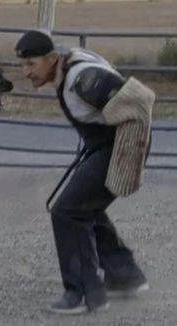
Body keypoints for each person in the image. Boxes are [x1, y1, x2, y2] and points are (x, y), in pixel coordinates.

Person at [14, 30, 155, 314]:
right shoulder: (65, 68)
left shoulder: (82, 80)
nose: (25, 72)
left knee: (67, 212)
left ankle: (83, 294)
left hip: (117, 147)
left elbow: (141, 102)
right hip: (104, 145)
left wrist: (129, 154)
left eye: (31, 64)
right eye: (22, 64)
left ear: (52, 58)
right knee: (84, 206)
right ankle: (125, 276)